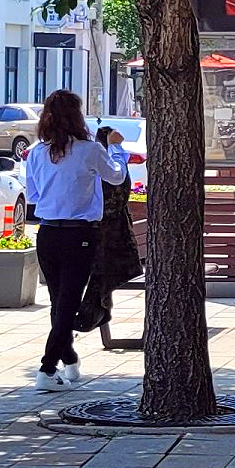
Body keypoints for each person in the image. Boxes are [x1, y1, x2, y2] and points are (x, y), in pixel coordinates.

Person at [22, 91, 122, 388]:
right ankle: (47, 368)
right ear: (77, 117)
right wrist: (117, 150)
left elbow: (33, 195)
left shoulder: (37, 153)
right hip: (79, 233)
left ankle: (68, 358)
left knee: (59, 301)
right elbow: (115, 177)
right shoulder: (89, 150)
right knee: (66, 303)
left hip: (48, 233)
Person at [75, 124, 141, 335]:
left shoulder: (88, 157)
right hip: (110, 243)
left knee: (101, 269)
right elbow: (119, 183)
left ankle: (95, 309)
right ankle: (95, 308)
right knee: (101, 268)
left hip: (101, 240)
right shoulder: (96, 158)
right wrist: (116, 148)